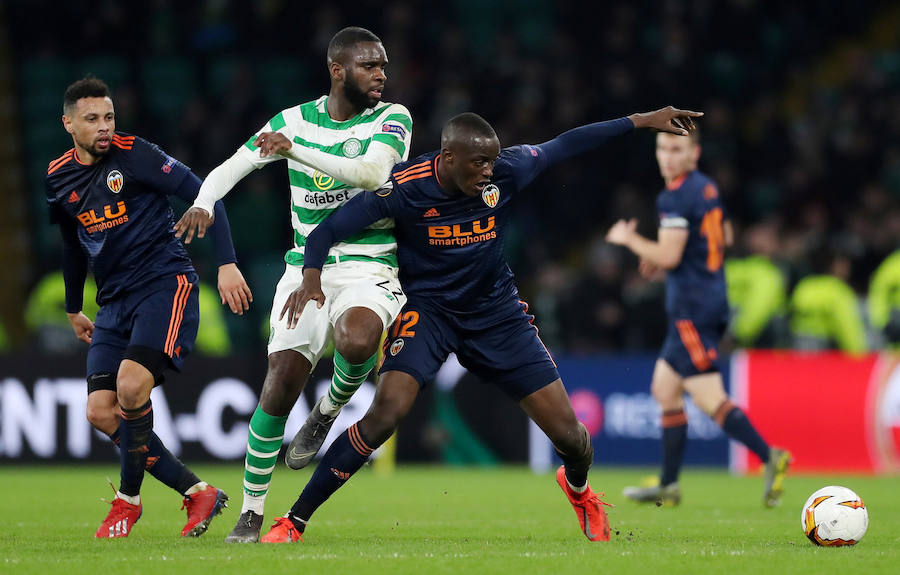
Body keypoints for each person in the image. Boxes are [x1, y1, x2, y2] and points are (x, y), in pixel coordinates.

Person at [259, 107, 703, 544]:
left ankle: (580, 490)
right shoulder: (405, 187)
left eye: (492, 160)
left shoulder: (508, 170)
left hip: (497, 315)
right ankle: (294, 520)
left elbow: (567, 143)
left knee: (573, 439)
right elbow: (326, 230)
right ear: (447, 158)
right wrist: (312, 276)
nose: (489, 171)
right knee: (385, 414)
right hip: (427, 312)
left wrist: (642, 120)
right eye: (479, 163)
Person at [173, 26, 412, 543]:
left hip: (370, 267)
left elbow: (371, 174)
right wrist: (202, 202)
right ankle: (252, 510)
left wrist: (296, 153)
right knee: (279, 386)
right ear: (337, 69)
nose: (381, 74)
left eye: (383, 65)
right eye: (370, 65)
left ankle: (327, 411)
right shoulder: (292, 121)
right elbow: (231, 168)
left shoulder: (393, 117)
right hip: (306, 268)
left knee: (357, 337)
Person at [46, 77, 253, 538]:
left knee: (130, 386)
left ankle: (127, 501)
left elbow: (204, 194)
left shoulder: (136, 154)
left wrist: (226, 264)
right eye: (92, 119)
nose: (104, 127)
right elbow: (71, 244)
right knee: (100, 412)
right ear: (68, 124)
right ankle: (196, 491)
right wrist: (73, 307)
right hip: (113, 302)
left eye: (109, 117)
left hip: (164, 284)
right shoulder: (58, 177)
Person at [605, 130, 791, 507]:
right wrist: (666, 258)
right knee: (664, 389)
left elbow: (671, 257)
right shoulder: (706, 188)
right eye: (663, 149)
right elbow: (723, 233)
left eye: (677, 149)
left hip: (693, 309)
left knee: (709, 397)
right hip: (706, 301)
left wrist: (631, 240)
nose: (668, 157)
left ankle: (770, 456)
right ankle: (669, 485)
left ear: (695, 153)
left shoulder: (675, 195)